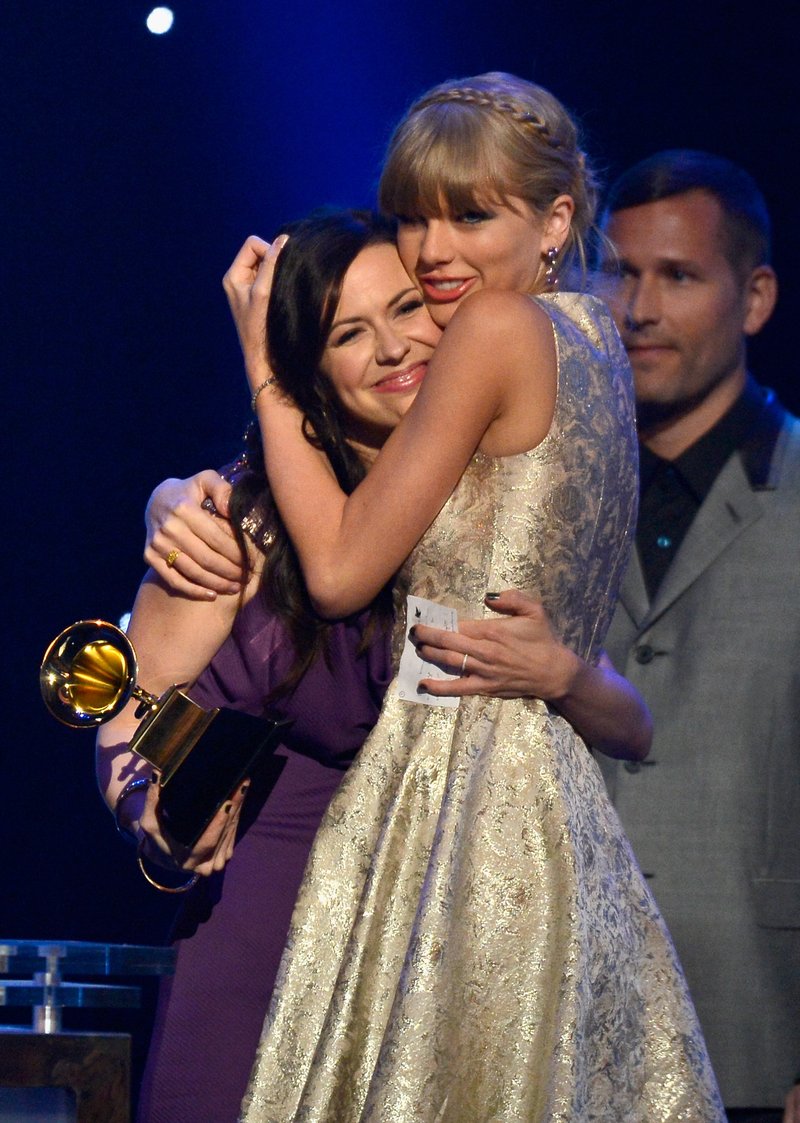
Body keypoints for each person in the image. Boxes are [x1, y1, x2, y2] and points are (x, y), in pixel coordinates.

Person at [226, 74, 722, 1120]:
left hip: (458, 794)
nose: (432, 247)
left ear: (553, 219)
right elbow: (620, 710)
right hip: (545, 798)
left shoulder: (494, 330)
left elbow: (339, 570)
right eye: (412, 214)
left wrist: (269, 373)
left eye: (469, 214)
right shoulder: (592, 341)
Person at [107, 210, 653, 1123]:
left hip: (433, 945)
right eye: (347, 334)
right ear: (305, 369)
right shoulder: (238, 519)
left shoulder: (490, 504)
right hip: (264, 943)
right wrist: (147, 811)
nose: (395, 346)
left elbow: (634, 723)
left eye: (408, 308)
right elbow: (128, 714)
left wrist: (562, 673)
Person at [590, 150, 800, 1123]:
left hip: (752, 1041)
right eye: (617, 271)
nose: (636, 309)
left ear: (752, 297)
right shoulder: (556, 494)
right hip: (558, 1035)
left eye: (675, 276)